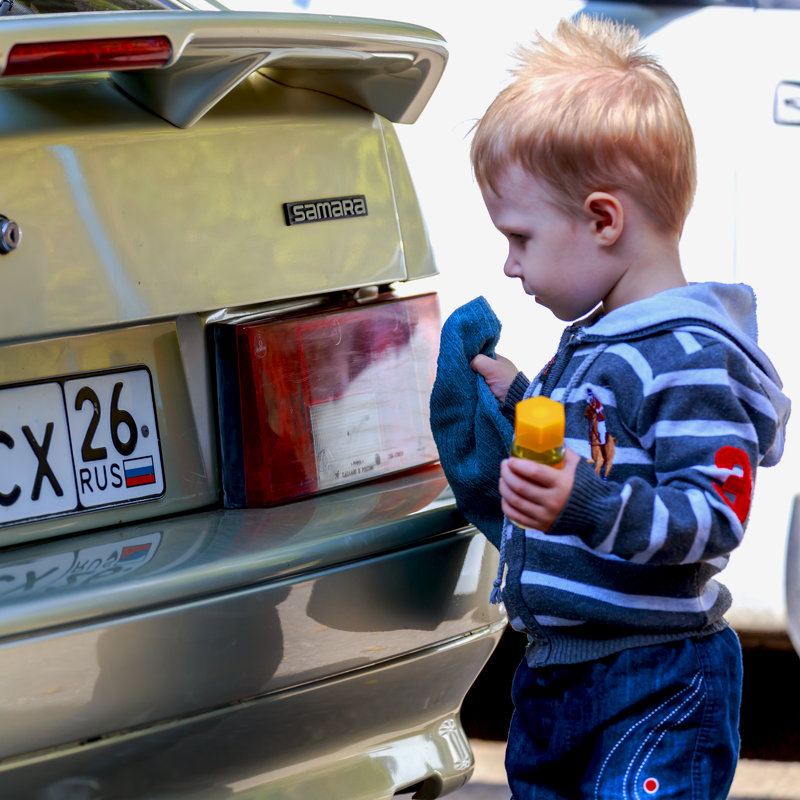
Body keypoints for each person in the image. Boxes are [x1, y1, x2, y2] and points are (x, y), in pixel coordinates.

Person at [428, 14, 791, 800]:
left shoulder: (691, 358)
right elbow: (596, 446)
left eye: (520, 237)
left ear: (602, 219)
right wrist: (519, 396)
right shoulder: (599, 344)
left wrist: (579, 503)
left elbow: (709, 516)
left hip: (655, 681)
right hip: (560, 674)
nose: (509, 264)